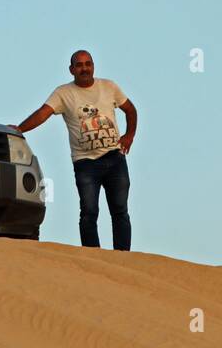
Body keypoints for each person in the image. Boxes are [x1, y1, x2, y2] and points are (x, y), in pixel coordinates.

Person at [12, 50, 137, 250]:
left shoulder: (109, 86)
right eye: (79, 65)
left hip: (115, 158)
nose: (84, 68)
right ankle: (92, 257)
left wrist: (129, 135)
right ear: (71, 70)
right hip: (85, 163)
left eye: (88, 64)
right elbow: (43, 113)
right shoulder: (63, 93)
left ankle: (122, 257)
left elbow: (130, 109)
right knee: (88, 212)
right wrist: (20, 128)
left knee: (120, 210)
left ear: (93, 66)